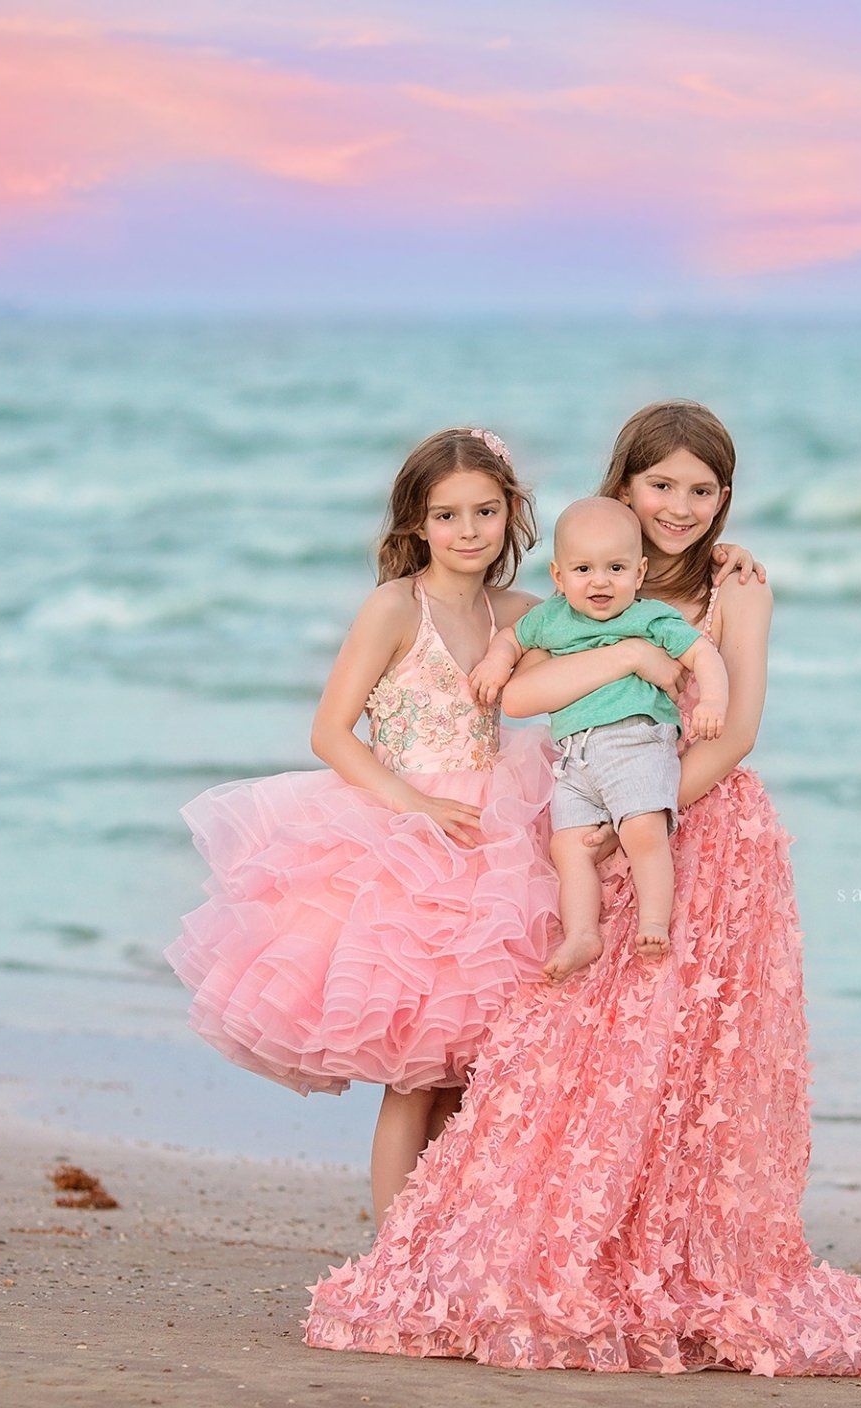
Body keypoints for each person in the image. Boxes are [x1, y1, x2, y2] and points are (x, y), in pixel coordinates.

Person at [304, 401, 861, 1376]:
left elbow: (735, 729)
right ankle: (517, 1240)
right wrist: (587, 827)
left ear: (725, 500)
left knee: (678, 1065)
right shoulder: (583, 585)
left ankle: (666, 1252)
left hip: (698, 839)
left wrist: (639, 821)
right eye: (660, 485)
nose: (679, 507)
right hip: (587, 830)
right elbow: (516, 691)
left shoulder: (736, 588)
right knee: (576, 1059)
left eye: (702, 489)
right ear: (622, 489)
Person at [163, 426, 561, 1220]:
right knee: (414, 1074)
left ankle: (442, 1241)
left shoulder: (521, 612)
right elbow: (331, 732)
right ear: (416, 522)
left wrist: (720, 572)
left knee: (467, 1070)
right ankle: (394, 1252)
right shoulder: (392, 608)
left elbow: (615, 609)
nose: (469, 531)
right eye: (447, 515)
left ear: (511, 513)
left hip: (495, 844)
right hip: (407, 835)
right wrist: (411, 803)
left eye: (485, 512)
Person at [469, 496, 728, 984]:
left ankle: (654, 921)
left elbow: (703, 654)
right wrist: (494, 662)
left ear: (640, 570)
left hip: (635, 742)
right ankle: (583, 934)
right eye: (584, 569)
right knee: (568, 849)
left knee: (642, 831)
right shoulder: (552, 617)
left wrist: (713, 700)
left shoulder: (648, 617)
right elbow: (511, 637)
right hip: (575, 758)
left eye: (616, 567)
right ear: (558, 576)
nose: (601, 581)